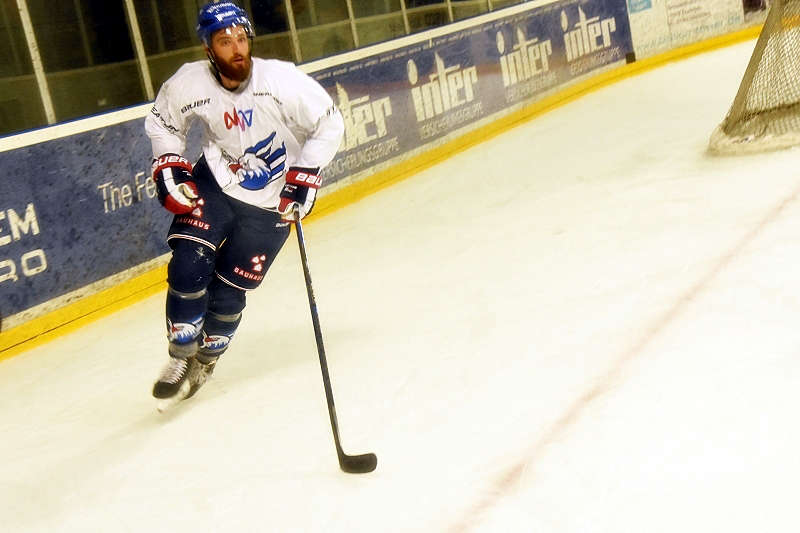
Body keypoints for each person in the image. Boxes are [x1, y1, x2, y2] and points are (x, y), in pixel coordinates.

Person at [144, 1, 344, 405]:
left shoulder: (281, 80)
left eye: (241, 38)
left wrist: (303, 176)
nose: (236, 48)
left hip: (271, 203)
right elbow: (165, 125)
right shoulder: (189, 84)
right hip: (216, 183)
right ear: (207, 49)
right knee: (188, 261)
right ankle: (181, 353)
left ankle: (208, 356)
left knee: (230, 288)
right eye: (224, 41)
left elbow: (329, 122)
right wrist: (169, 165)